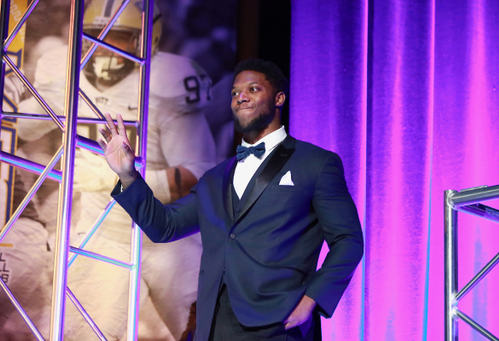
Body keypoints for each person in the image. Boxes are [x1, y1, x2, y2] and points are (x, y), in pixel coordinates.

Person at [100, 59, 364, 341]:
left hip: (280, 323)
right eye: (235, 92)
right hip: (215, 325)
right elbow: (165, 227)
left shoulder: (315, 163)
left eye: (253, 89)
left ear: (279, 98)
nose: (241, 97)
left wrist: (312, 300)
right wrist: (128, 176)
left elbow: (348, 240)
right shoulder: (215, 178)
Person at [13, 0, 216, 339]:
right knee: (83, 334)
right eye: (94, 34)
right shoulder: (66, 72)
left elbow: (200, 175)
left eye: (118, 36)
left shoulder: (167, 81)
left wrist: (115, 178)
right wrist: (49, 101)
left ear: (146, 38)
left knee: (209, 329)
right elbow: (16, 127)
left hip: (167, 232)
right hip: (100, 233)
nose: (103, 45)